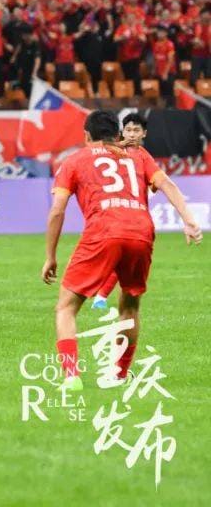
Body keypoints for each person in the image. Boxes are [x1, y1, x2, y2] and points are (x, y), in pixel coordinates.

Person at [42, 110, 201, 391]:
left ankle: (71, 376)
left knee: (66, 307)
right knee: (129, 307)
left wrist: (50, 256)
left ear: (87, 135)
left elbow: (57, 211)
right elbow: (166, 184)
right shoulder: (138, 155)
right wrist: (188, 219)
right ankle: (119, 375)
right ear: (117, 134)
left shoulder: (74, 161)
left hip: (103, 231)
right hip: (141, 231)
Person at [90, 112, 150, 310]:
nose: (132, 134)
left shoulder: (143, 156)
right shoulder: (111, 151)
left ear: (144, 133)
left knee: (123, 261)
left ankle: (100, 296)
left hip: (135, 218)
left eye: (136, 130)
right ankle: (98, 295)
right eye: (128, 130)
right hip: (111, 215)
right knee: (117, 259)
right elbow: (95, 153)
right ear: (121, 132)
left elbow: (157, 182)